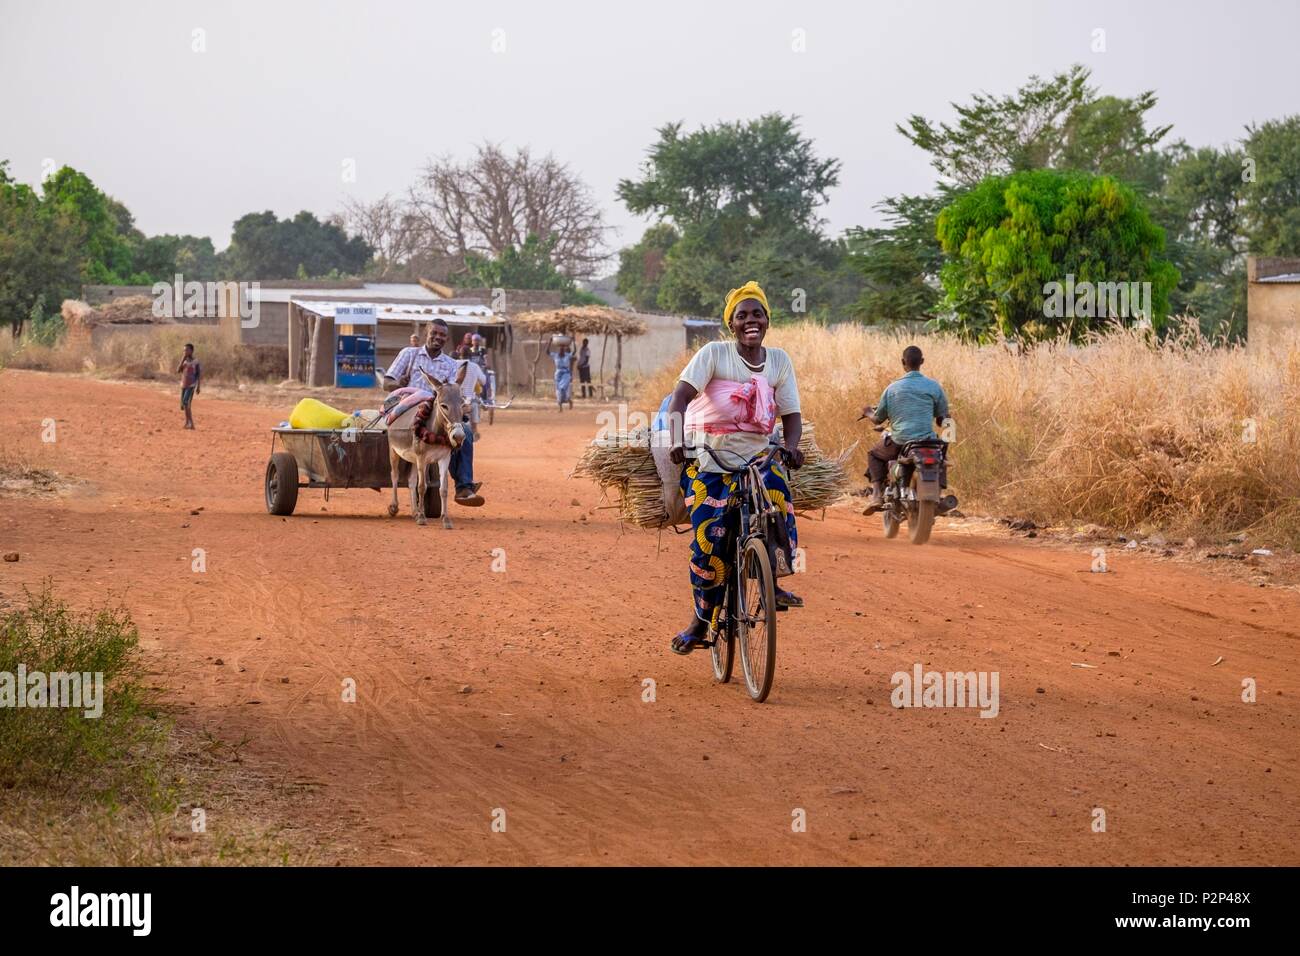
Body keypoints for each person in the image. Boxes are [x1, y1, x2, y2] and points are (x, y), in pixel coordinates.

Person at [665, 280, 805, 656]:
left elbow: (791, 416)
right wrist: (678, 441)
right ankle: (700, 620)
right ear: (732, 325)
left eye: (757, 314)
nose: (750, 321)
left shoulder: (779, 361)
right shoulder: (713, 353)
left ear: (767, 320)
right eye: (741, 316)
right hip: (709, 456)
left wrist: (790, 448)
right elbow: (679, 398)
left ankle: (772, 580)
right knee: (709, 540)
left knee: (777, 498)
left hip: (759, 456)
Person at [383, 319, 484, 506]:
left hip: (439, 412)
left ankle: (463, 487)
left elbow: (453, 393)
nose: (438, 337)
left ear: (446, 339)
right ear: (426, 334)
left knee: (465, 432)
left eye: (443, 335)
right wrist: (399, 384)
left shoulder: (451, 364)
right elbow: (386, 383)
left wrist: (462, 406)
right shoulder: (409, 354)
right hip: (410, 409)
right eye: (434, 333)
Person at [861, 345, 951, 514]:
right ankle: (939, 492)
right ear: (922, 362)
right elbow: (944, 420)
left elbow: (878, 419)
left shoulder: (892, 389)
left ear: (903, 362)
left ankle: (877, 494)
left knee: (874, 454)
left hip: (900, 441)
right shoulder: (934, 387)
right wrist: (944, 426)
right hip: (928, 442)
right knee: (941, 456)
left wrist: (867, 412)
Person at [177, 343, 201, 430]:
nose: (185, 352)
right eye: (184, 350)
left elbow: (199, 374)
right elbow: (178, 370)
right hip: (184, 384)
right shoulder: (185, 361)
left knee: (186, 402)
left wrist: (198, 386)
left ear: (191, 351)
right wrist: (182, 359)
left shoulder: (196, 361)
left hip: (191, 385)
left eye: (186, 350)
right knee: (183, 405)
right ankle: (187, 422)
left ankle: (191, 423)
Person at [547, 336, 574, 411]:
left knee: (563, 389)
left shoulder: (567, 355)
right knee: (558, 390)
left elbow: (574, 351)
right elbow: (547, 352)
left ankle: (569, 401)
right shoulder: (555, 355)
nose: (561, 351)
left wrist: (573, 341)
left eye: (562, 350)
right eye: (560, 350)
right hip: (558, 374)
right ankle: (560, 407)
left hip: (566, 374)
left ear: (564, 351)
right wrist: (550, 342)